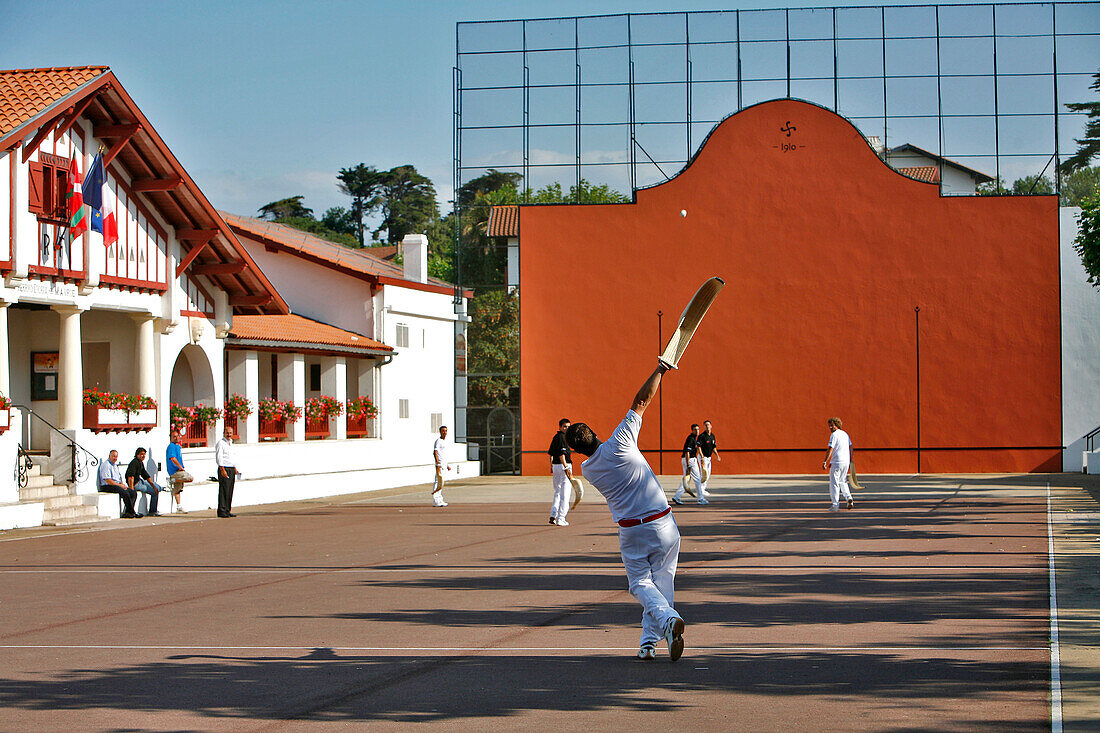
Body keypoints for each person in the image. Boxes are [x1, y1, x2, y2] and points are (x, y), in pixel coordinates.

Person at [565, 362, 685, 663]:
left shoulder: (588, 469)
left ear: (578, 451)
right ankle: (653, 639)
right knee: (663, 582)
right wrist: (661, 369)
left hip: (632, 531)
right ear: (594, 432)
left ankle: (660, 630)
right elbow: (642, 401)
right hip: (664, 523)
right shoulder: (621, 439)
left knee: (641, 584)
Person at [822, 417, 854, 511]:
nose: (831, 427)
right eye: (830, 425)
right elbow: (851, 447)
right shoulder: (845, 434)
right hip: (845, 461)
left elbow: (830, 448)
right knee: (842, 481)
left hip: (837, 462)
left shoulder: (834, 435)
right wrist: (850, 459)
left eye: (832, 425)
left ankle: (835, 505)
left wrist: (825, 461)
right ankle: (849, 498)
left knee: (834, 483)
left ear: (837, 425)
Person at [98, 449, 141, 518]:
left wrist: (122, 484)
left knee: (133, 493)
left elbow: (119, 478)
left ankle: (128, 512)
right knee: (125, 493)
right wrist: (120, 485)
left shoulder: (115, 465)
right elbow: (108, 480)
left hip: (116, 485)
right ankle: (132, 512)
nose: (115, 458)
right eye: (113, 456)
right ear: (109, 456)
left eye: (116, 457)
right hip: (107, 485)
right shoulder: (106, 465)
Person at [547, 418, 573, 526]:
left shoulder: (556, 437)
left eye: (568, 426)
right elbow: (562, 454)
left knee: (557, 491)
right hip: (564, 466)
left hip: (556, 466)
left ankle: (553, 515)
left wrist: (552, 466)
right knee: (565, 493)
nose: (567, 428)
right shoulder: (562, 438)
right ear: (560, 427)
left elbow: (551, 454)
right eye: (565, 426)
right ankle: (561, 518)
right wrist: (566, 467)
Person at [672, 423, 706, 506]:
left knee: (686, 479)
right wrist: (688, 465)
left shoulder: (694, 438)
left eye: (698, 429)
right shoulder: (691, 439)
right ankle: (700, 499)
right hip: (690, 460)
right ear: (692, 430)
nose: (697, 431)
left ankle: (677, 496)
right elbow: (687, 452)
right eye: (695, 429)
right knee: (697, 479)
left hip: (688, 460)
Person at [125, 447, 162, 516]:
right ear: (137, 455)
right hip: (136, 484)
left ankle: (160, 488)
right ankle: (152, 511)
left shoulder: (140, 463)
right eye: (141, 454)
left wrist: (153, 486)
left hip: (140, 481)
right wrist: (131, 489)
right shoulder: (134, 463)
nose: (143, 456)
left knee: (157, 487)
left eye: (144, 454)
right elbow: (130, 477)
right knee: (154, 492)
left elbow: (145, 475)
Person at [215, 425, 241, 518]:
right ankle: (222, 510)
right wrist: (222, 469)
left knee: (230, 490)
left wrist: (234, 468)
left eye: (230, 433)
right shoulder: (221, 443)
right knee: (224, 490)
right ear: (224, 433)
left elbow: (231, 457)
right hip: (224, 468)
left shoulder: (231, 443)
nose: (229, 435)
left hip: (231, 468)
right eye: (227, 433)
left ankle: (227, 509)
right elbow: (219, 457)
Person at [165, 430, 193, 513]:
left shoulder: (178, 446)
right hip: (175, 471)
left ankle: (179, 506)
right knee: (190, 478)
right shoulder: (171, 446)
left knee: (178, 489)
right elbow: (172, 458)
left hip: (179, 470)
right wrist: (180, 467)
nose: (176, 438)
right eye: (174, 436)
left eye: (177, 436)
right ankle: (172, 479)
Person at [697, 419, 721, 499]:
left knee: (708, 474)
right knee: (703, 474)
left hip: (709, 458)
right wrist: (702, 456)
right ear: (704, 426)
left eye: (708, 424)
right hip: (703, 457)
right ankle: (700, 490)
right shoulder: (702, 436)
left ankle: (703, 489)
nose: (707, 426)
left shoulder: (712, 436)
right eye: (706, 425)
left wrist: (717, 455)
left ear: (711, 426)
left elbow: (714, 447)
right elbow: (699, 447)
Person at [432, 425, 451, 507]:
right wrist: (437, 463)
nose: (444, 432)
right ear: (440, 432)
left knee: (441, 483)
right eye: (443, 431)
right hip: (439, 465)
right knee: (438, 482)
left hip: (443, 465)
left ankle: (440, 499)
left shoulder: (445, 442)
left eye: (446, 431)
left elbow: (444, 454)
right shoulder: (438, 441)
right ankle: (436, 500)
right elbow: (435, 452)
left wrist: (447, 465)